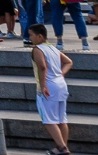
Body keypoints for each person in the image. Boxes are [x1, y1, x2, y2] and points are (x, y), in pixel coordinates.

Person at [29, 23, 72, 154]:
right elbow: (69, 62)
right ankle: (61, 147)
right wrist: (61, 74)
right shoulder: (53, 48)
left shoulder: (38, 49)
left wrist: (43, 86)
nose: (29, 38)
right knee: (61, 119)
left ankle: (62, 148)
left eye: (31, 35)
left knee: (48, 120)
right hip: (61, 84)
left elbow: (42, 67)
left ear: (39, 36)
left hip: (49, 86)